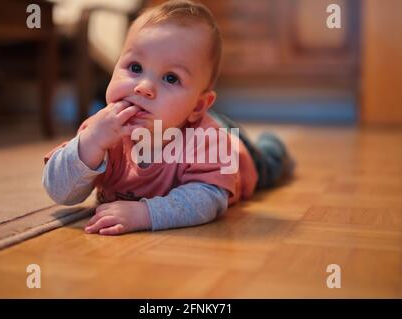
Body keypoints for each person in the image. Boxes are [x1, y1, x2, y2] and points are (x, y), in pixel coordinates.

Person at [43, 0, 295, 236]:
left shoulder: (209, 141)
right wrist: (89, 144)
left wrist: (145, 214)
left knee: (269, 165)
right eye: (135, 67)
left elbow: (208, 198)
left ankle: (274, 144)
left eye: (170, 78)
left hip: (235, 149)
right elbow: (59, 191)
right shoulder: (100, 131)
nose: (143, 87)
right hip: (179, 118)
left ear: (198, 105)